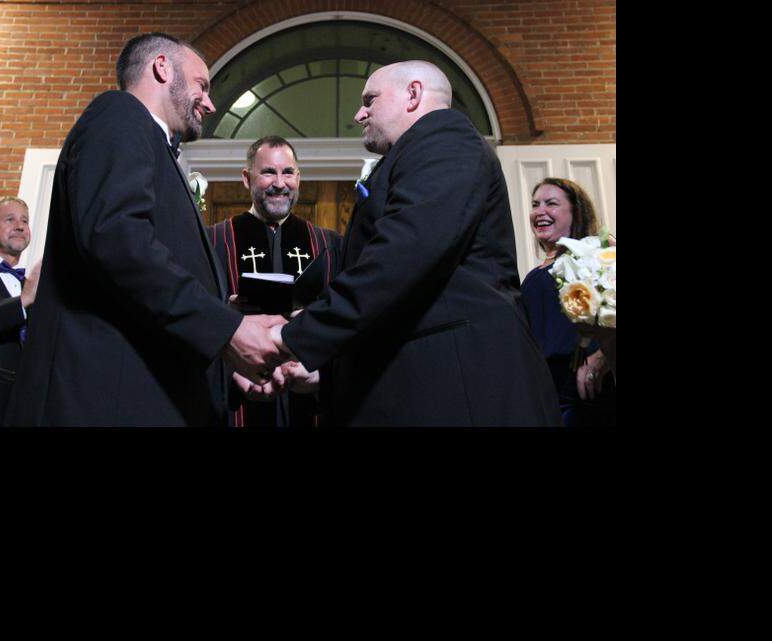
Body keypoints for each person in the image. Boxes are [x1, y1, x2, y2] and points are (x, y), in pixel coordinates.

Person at [4, 32, 286, 428]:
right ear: (161, 67)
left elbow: (148, 303)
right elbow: (117, 240)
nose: (209, 102)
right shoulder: (119, 115)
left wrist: (225, 370)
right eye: (202, 85)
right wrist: (227, 330)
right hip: (105, 403)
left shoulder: (153, 144)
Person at [268, 60, 560, 427]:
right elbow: (405, 304)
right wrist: (327, 371)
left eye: (370, 99)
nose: (359, 113)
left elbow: (399, 260)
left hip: (459, 391)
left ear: (413, 94)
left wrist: (291, 337)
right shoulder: (415, 153)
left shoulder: (444, 139)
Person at [208, 136, 342, 429]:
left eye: (288, 172)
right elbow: (196, 326)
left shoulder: (329, 245)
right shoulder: (215, 242)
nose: (279, 183)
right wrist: (231, 368)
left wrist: (323, 372)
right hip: (239, 401)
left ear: (298, 178)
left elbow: (347, 326)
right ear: (247, 178)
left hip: (308, 398)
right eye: (268, 172)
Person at [519, 178, 616, 428]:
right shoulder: (532, 276)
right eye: (535, 204)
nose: (540, 211)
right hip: (548, 387)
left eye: (551, 203)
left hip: (587, 387)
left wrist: (600, 359)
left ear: (575, 211)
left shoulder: (596, 255)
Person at [0, 197, 41, 427]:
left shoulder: (35, 284)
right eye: (9, 219)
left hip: (31, 406)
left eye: (24, 220)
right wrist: (22, 301)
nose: (20, 225)